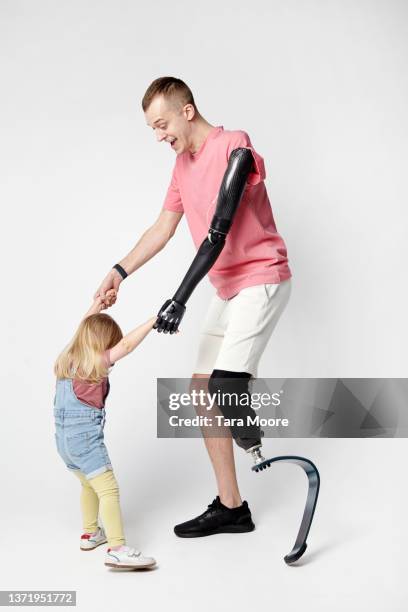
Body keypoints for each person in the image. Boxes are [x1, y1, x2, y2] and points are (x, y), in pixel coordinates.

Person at [95, 76, 292, 538]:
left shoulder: (235, 146)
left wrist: (178, 300)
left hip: (261, 278)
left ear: (187, 111)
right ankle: (232, 507)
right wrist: (118, 272)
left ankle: (254, 444)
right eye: (153, 129)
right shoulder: (182, 167)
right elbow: (162, 229)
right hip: (225, 288)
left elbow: (218, 231)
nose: (160, 136)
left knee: (225, 387)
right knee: (201, 389)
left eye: (162, 124)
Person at [53, 290, 157, 569]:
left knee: (88, 484)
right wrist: (154, 319)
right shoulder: (94, 366)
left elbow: (81, 331)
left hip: (63, 443)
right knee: (108, 490)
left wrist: (96, 306)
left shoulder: (68, 359)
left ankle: (90, 533)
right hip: (85, 441)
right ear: (102, 345)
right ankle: (117, 547)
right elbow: (127, 346)